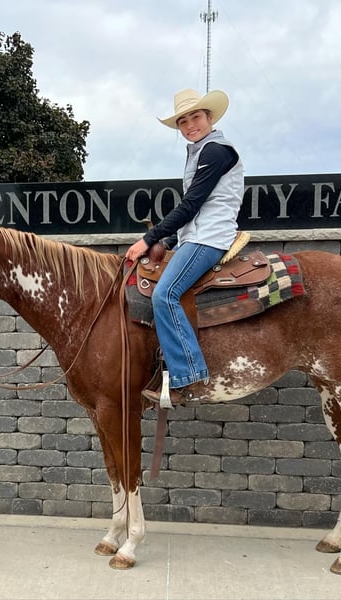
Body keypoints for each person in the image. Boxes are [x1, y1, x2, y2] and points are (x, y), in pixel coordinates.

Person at [125, 88, 244, 405]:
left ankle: (188, 374)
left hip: (210, 238)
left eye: (196, 117)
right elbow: (196, 212)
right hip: (197, 235)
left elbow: (191, 206)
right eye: (183, 121)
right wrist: (169, 240)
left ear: (210, 117)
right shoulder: (200, 151)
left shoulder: (216, 151)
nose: (191, 125)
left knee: (165, 294)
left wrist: (148, 238)